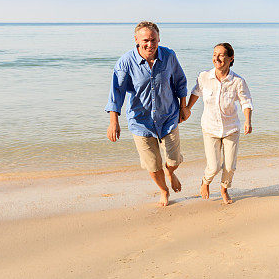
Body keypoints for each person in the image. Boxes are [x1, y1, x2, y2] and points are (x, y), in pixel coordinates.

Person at [105, 21, 190, 206]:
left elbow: (180, 81)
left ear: (159, 39)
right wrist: (114, 122)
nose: (150, 44)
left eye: (153, 40)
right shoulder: (126, 62)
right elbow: (116, 92)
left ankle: (171, 172)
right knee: (152, 165)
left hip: (168, 116)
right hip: (140, 122)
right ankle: (164, 190)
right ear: (136, 40)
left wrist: (184, 107)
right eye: (145, 40)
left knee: (174, 160)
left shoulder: (168, 56)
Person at [185, 43, 253, 205]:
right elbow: (196, 92)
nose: (217, 58)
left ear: (231, 58)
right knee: (214, 166)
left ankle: (224, 188)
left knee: (230, 166)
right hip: (210, 127)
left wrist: (248, 121)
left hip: (231, 128)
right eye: (215, 54)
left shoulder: (238, 81)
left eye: (221, 55)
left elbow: (246, 102)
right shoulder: (204, 77)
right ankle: (205, 182)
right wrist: (187, 108)